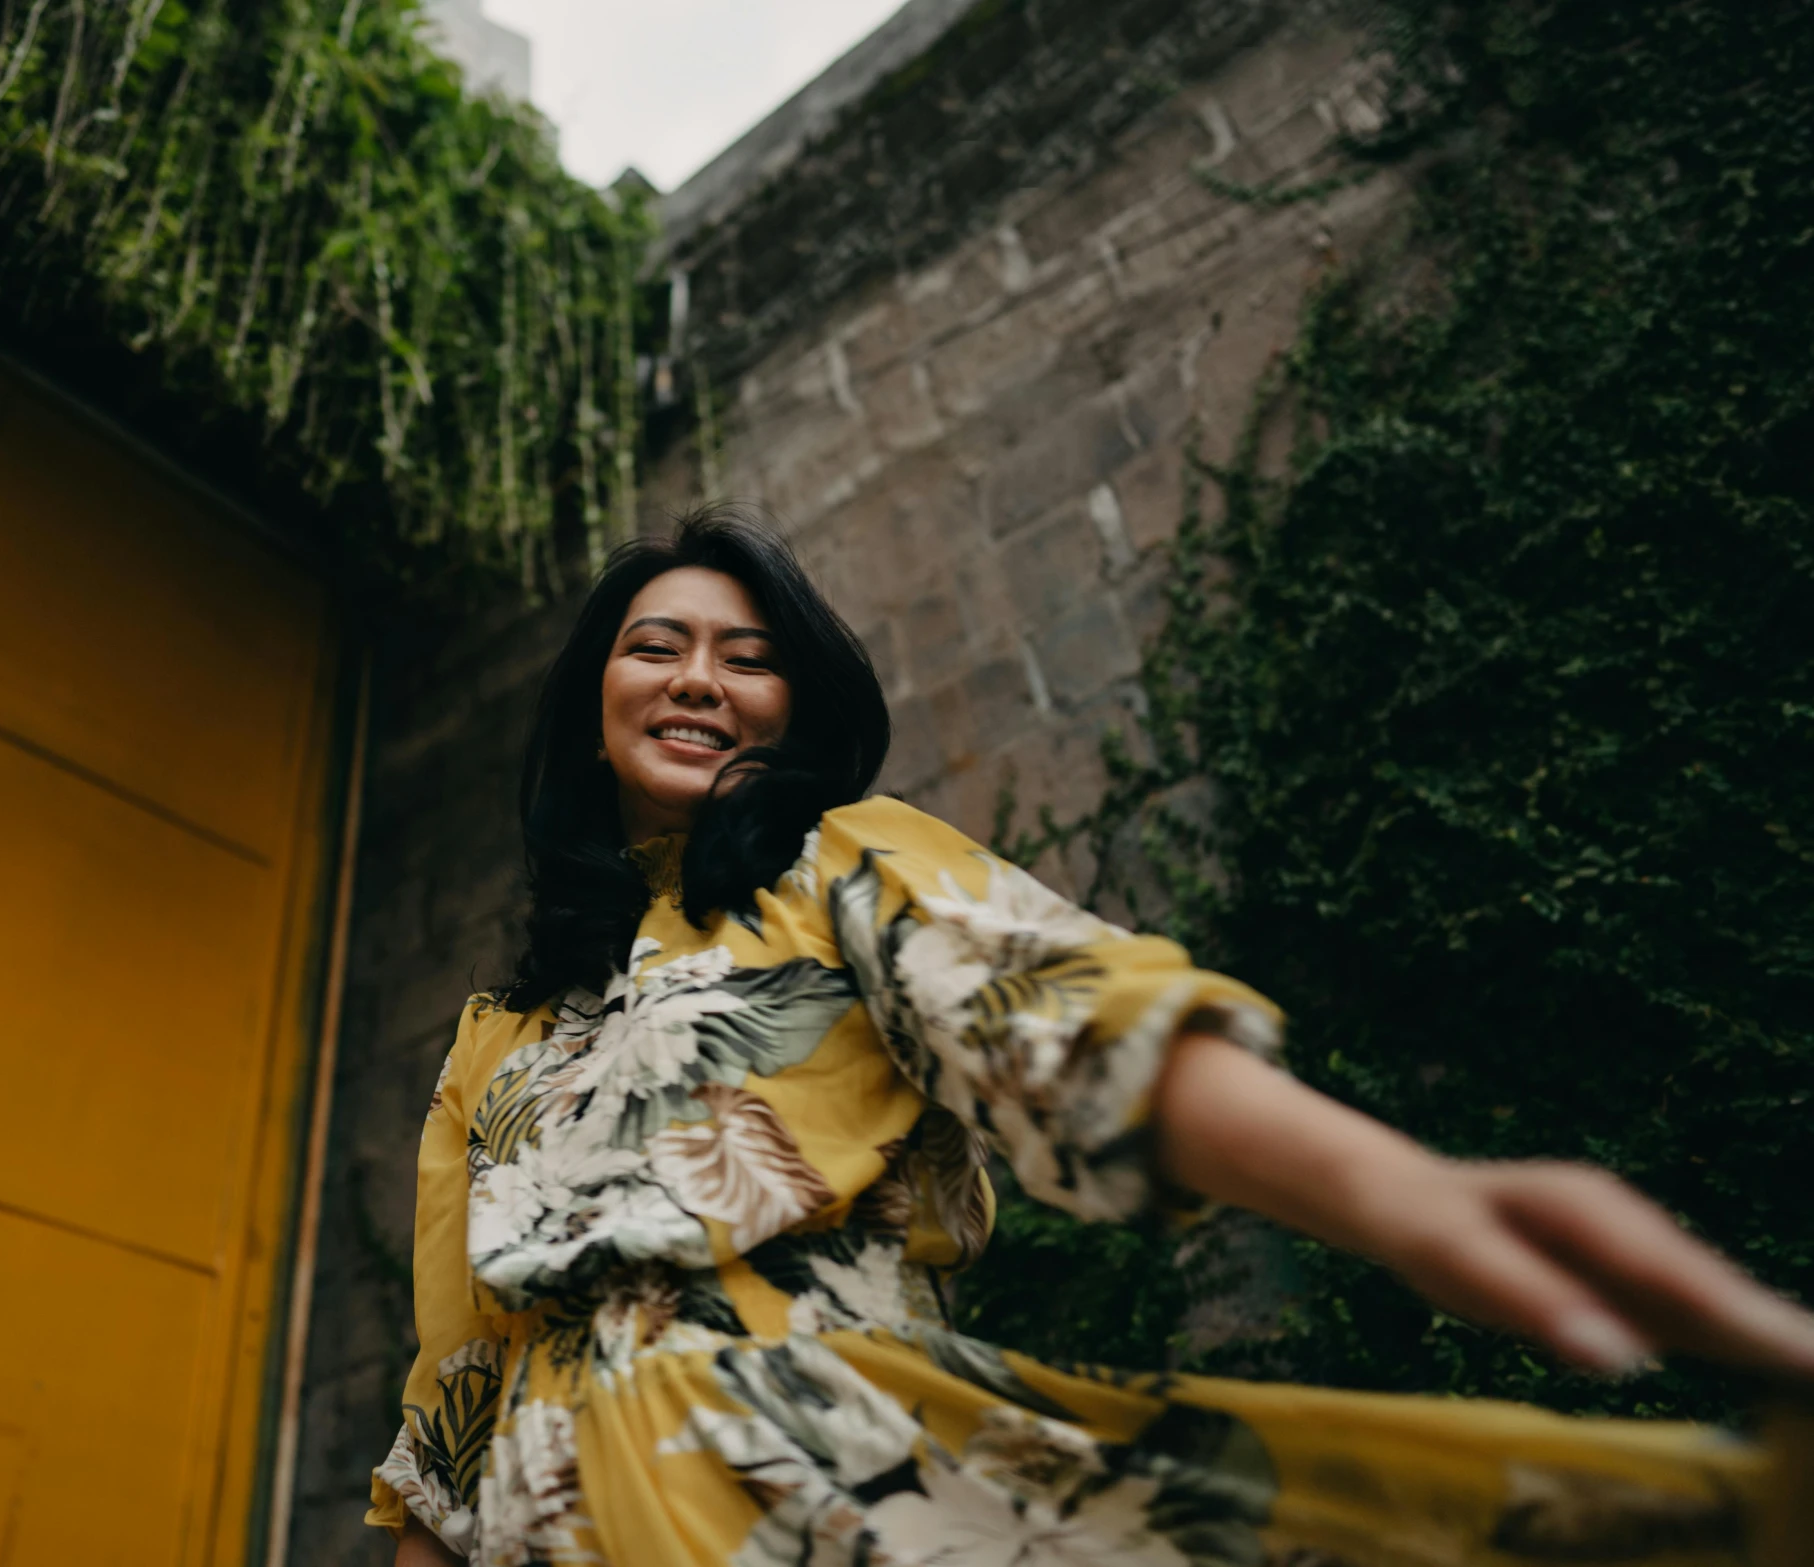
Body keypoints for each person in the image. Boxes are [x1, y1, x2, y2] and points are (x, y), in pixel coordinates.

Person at [369, 504, 1814, 1567]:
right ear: (595, 698)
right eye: (654, 646)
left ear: (791, 704)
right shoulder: (498, 1032)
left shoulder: (836, 859)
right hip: (537, 1529)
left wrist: (1401, 1191)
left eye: (744, 657)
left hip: (801, 1481)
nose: (696, 677)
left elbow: (1057, 1018)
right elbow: (455, 1381)